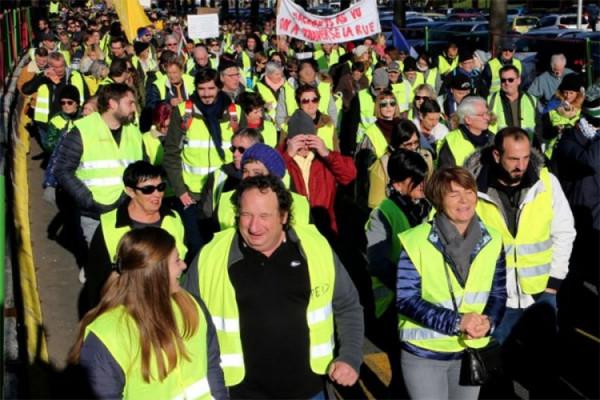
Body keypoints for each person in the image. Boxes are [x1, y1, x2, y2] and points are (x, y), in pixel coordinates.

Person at [183, 174, 364, 399]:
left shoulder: (316, 248)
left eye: (264, 216)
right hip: (238, 394)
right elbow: (182, 323)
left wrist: (350, 357)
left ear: (283, 216)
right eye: (246, 215)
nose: (254, 226)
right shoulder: (210, 257)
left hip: (310, 391)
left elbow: (347, 307)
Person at [70, 227, 227, 400]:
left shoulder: (193, 306)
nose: (184, 265)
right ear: (155, 273)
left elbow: (212, 367)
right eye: (177, 261)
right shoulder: (108, 335)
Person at [397, 167, 507, 400]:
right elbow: (406, 299)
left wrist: (490, 321)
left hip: (470, 350)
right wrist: (457, 321)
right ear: (438, 199)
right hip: (424, 355)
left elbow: (498, 292)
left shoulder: (494, 239)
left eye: (469, 191)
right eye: (454, 194)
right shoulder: (415, 240)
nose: (464, 200)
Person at [463, 127, 575, 345]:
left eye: (525, 158)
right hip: (495, 298)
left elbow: (564, 231)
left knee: (543, 363)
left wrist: (554, 282)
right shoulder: (472, 188)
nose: (521, 166)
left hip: (541, 294)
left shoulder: (547, 183)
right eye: (514, 159)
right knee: (497, 364)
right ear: (497, 156)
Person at [365, 149, 430, 397]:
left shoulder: (424, 208)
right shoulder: (382, 214)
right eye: (416, 180)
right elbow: (378, 263)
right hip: (392, 305)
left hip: (419, 303)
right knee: (403, 377)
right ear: (396, 184)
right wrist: (410, 288)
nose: (423, 185)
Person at [85, 161, 186, 310]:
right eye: (148, 189)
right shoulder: (108, 224)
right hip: (126, 309)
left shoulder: (174, 218)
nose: (157, 194)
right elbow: (96, 278)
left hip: (169, 306)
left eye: (160, 187)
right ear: (130, 191)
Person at [162, 68, 240, 262]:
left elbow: (246, 153)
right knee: (196, 249)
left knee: (222, 247)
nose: (206, 94)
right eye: (201, 89)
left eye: (211, 88)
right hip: (192, 195)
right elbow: (171, 155)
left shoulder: (235, 113)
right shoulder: (183, 113)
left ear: (219, 87)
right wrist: (180, 190)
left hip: (223, 194)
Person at [54, 83, 144, 249]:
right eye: (129, 103)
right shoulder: (83, 129)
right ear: (112, 104)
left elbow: (142, 170)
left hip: (128, 211)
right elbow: (61, 170)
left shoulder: (134, 132)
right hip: (95, 215)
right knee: (102, 267)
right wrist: (87, 200)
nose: (134, 108)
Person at [280, 110, 356, 239]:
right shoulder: (281, 158)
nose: (305, 146)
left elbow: (349, 175)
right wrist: (288, 155)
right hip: (292, 229)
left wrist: (327, 153)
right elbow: (268, 177)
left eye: (308, 140)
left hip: (324, 228)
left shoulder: (323, 160)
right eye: (300, 141)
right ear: (290, 141)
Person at [368, 120, 434, 209]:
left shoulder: (426, 157)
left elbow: (429, 189)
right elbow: (376, 204)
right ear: (396, 145)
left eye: (416, 142)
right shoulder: (382, 166)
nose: (413, 147)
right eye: (408, 144)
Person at [341, 67, 390, 155]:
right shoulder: (360, 97)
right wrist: (352, 148)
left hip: (384, 145)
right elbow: (352, 124)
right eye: (378, 89)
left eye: (384, 89)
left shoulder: (391, 98)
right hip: (363, 146)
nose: (380, 92)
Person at [438, 96, 495, 168]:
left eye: (487, 113)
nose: (487, 118)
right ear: (468, 119)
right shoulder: (452, 142)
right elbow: (446, 175)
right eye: (482, 115)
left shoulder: (493, 138)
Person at [488, 65, 539, 140]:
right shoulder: (490, 100)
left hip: (526, 146)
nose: (507, 83)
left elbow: (539, 126)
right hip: (503, 148)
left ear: (519, 80)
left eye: (510, 80)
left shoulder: (531, 99)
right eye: (503, 80)